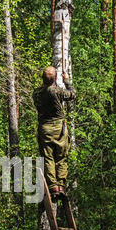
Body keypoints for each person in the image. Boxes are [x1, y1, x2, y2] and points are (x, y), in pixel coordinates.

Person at [33, 66, 75, 197]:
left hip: (45, 129)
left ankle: (53, 186)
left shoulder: (36, 93)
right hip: (58, 129)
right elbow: (72, 95)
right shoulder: (56, 91)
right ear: (55, 79)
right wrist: (67, 81)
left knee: (48, 157)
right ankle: (61, 184)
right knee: (61, 156)